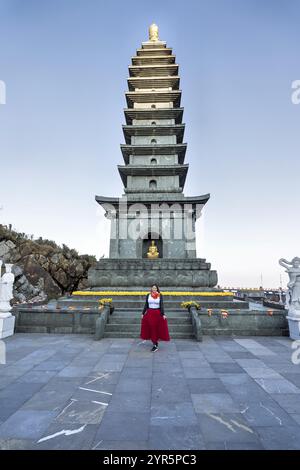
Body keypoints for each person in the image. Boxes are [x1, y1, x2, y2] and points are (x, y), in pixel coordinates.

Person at [140, 284, 170, 352]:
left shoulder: (159, 295)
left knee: (155, 328)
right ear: (151, 289)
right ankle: (154, 343)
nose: (154, 289)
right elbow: (146, 305)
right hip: (149, 313)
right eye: (153, 288)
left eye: (155, 288)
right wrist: (143, 313)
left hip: (157, 313)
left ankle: (155, 344)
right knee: (151, 328)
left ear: (157, 289)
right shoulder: (148, 295)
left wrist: (163, 314)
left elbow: (161, 305)